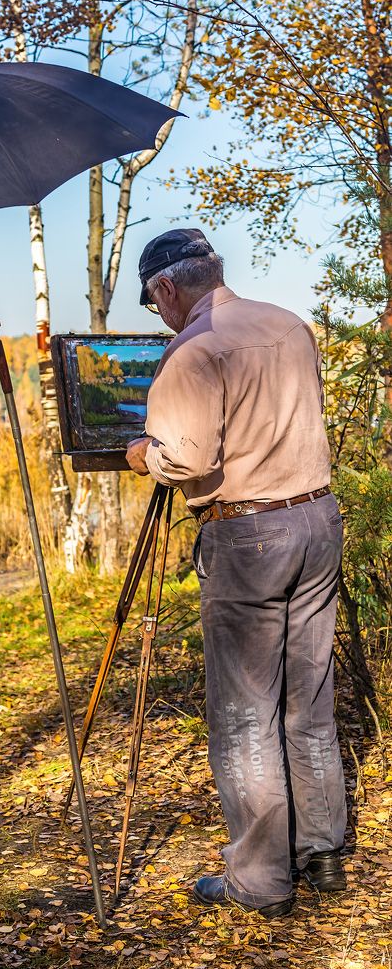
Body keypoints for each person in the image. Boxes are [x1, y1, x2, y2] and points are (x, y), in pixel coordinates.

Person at [126, 228, 347, 919]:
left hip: (248, 533)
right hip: (317, 519)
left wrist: (139, 453)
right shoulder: (288, 324)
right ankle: (323, 854)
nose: (158, 316)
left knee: (244, 714)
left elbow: (185, 459)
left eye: (153, 303)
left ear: (167, 289)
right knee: (307, 701)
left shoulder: (193, 350)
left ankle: (260, 880)